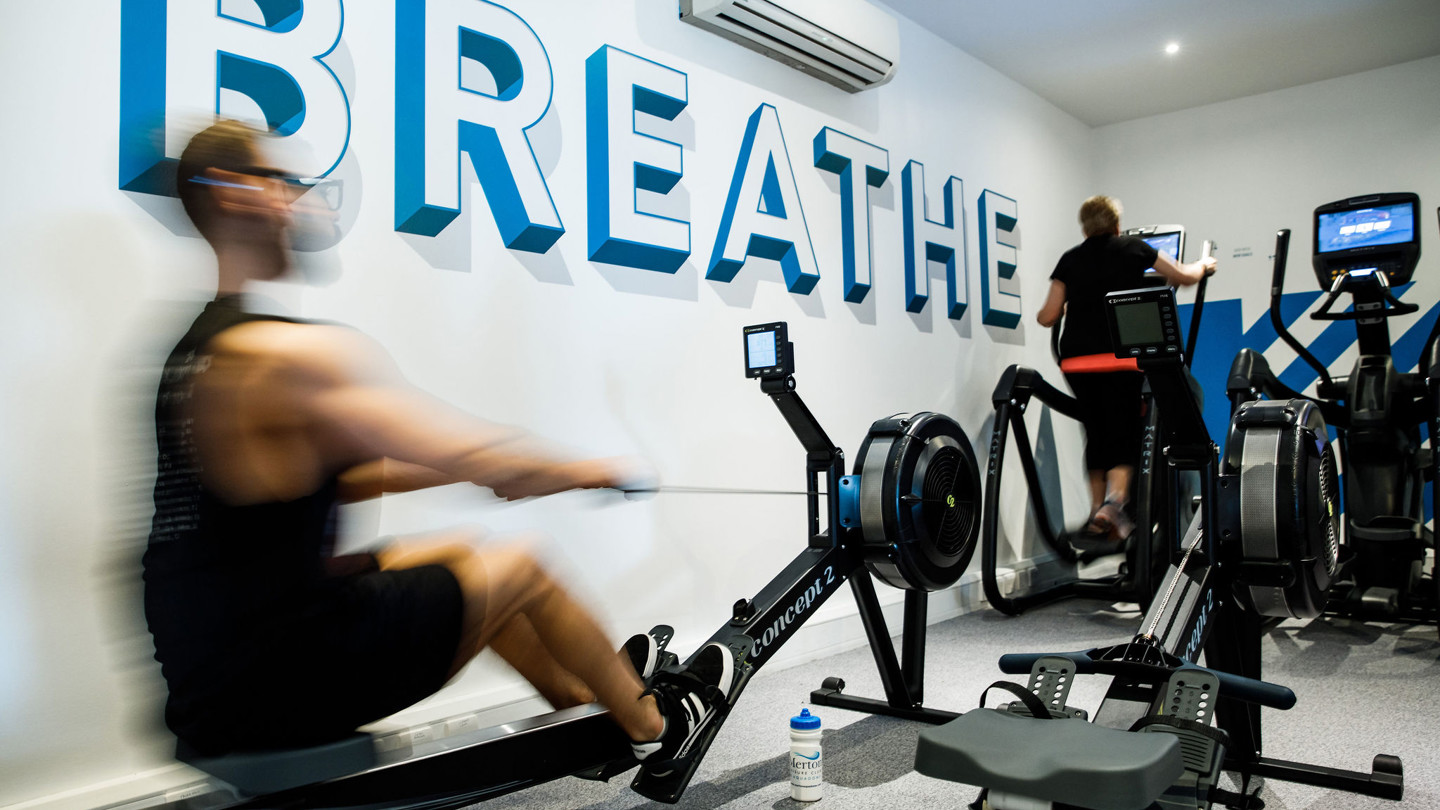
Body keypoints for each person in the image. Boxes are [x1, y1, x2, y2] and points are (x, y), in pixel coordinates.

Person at [141, 119, 732, 774]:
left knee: (458, 557)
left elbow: (369, 472)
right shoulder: (281, 356)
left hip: (216, 673)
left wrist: (499, 472)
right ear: (229, 191)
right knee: (522, 566)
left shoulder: (197, 353)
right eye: (279, 182)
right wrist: (585, 470)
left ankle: (580, 707)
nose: (295, 201)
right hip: (278, 678)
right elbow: (484, 457)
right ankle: (655, 727)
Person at [1035, 195, 1216, 542]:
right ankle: (1116, 504)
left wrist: (1076, 305)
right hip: (1123, 359)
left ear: (1085, 228)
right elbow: (1183, 276)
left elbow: (1047, 316)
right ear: (1117, 225)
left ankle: (1095, 512)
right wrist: (1204, 264)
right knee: (1124, 430)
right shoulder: (1134, 248)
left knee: (1096, 431)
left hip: (1076, 363)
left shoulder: (1070, 259)